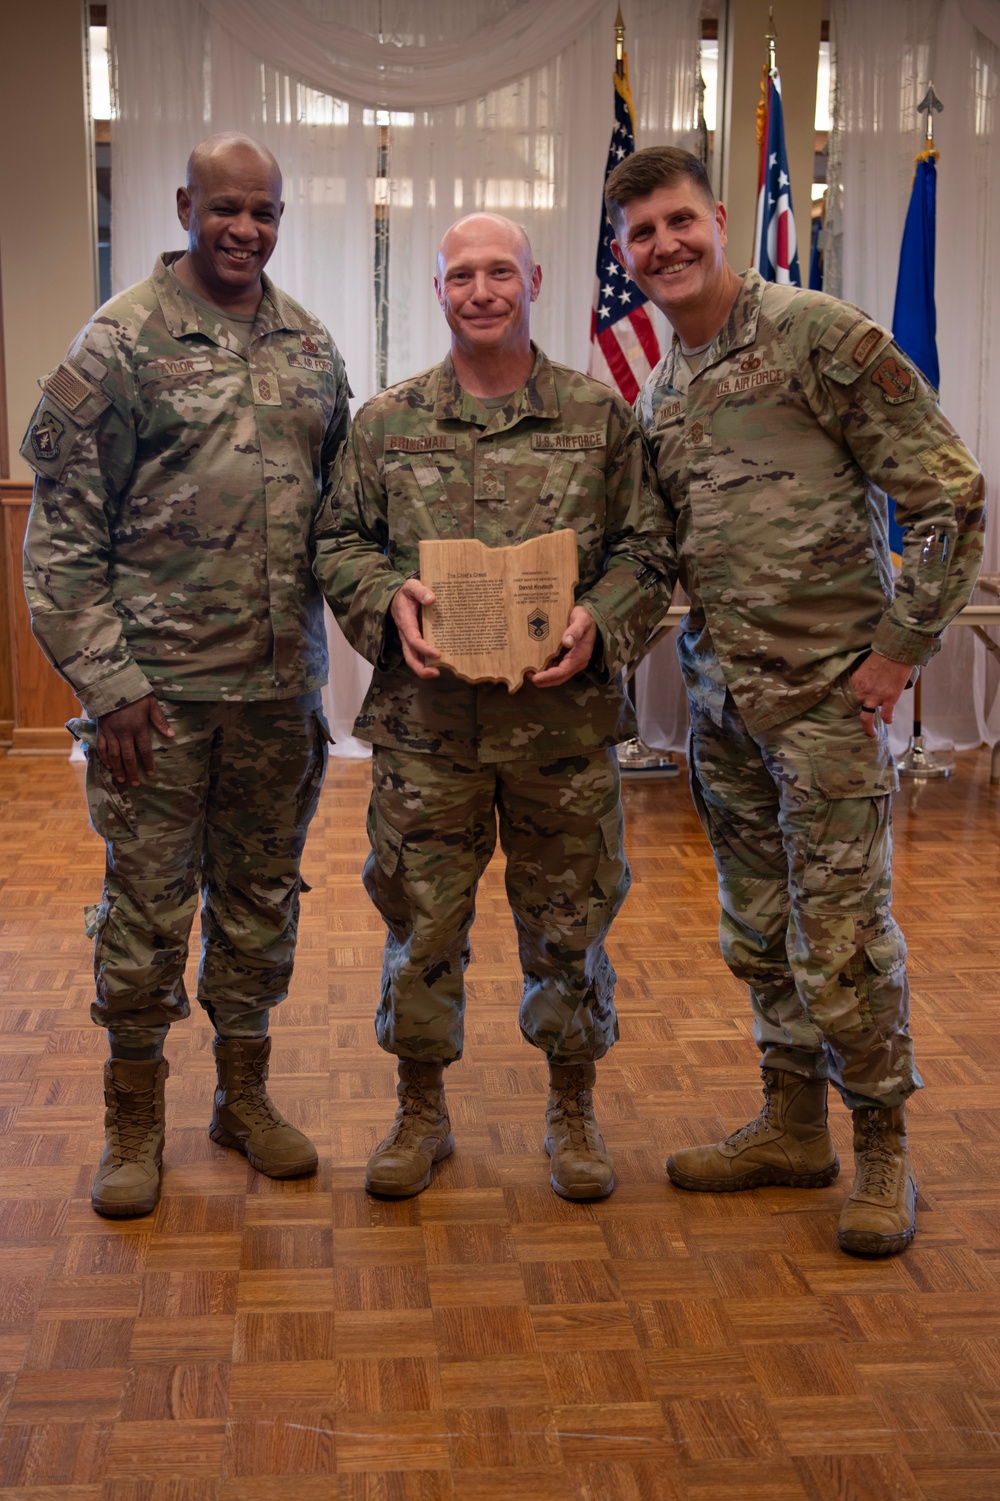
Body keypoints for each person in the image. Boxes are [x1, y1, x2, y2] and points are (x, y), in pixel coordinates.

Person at [605, 145, 984, 1255]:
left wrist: (899, 650)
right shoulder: (663, 389)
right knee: (757, 928)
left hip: (827, 702)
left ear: (719, 220)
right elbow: (662, 551)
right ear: (625, 257)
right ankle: (790, 1124)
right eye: (641, 235)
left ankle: (882, 1153)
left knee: (844, 935)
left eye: (679, 222)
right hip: (725, 702)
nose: (664, 246)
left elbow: (948, 495)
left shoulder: (820, 336)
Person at [21, 133, 352, 1218]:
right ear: (182, 206)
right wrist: (109, 688)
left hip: (274, 696)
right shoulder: (117, 345)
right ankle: (132, 1118)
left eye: (263, 211)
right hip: (151, 706)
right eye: (224, 208)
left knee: (261, 901)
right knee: (149, 910)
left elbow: (341, 514)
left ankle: (243, 1097)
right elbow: (60, 543)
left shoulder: (311, 347)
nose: (244, 229)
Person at [314, 213, 673, 1202]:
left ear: (534, 281)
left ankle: (571, 1106)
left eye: (499, 272)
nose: (481, 289)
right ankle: (420, 1109)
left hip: (560, 730)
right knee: (421, 922)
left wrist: (603, 616)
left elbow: (648, 550)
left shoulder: (598, 419)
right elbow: (338, 542)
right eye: (461, 274)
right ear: (437, 290)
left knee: (570, 922)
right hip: (429, 731)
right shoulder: (386, 423)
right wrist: (386, 597)